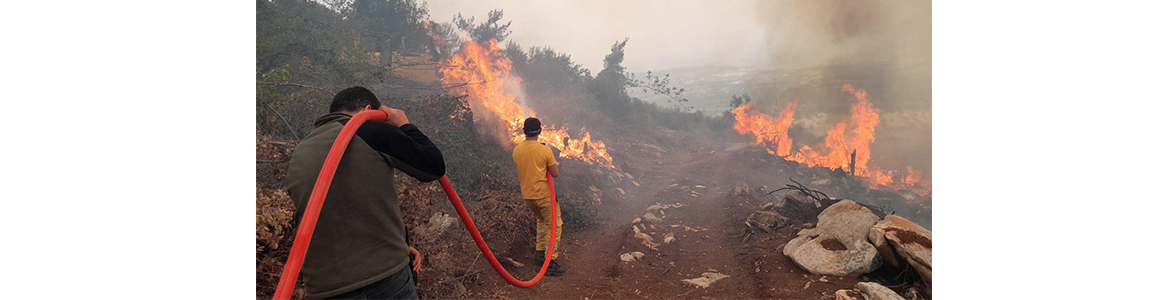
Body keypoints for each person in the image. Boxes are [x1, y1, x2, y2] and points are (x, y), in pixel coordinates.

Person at [285, 86, 445, 299]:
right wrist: (404, 125)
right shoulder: (368, 129)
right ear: (368, 110)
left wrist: (400, 245)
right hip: (381, 282)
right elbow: (433, 166)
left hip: (323, 289)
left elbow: (343, 207)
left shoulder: (301, 150)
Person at [511, 117, 566, 276]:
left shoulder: (517, 150)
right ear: (540, 131)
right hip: (544, 196)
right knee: (555, 225)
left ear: (524, 132)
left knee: (542, 221)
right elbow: (555, 174)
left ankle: (540, 252)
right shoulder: (545, 150)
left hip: (528, 196)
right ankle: (550, 261)